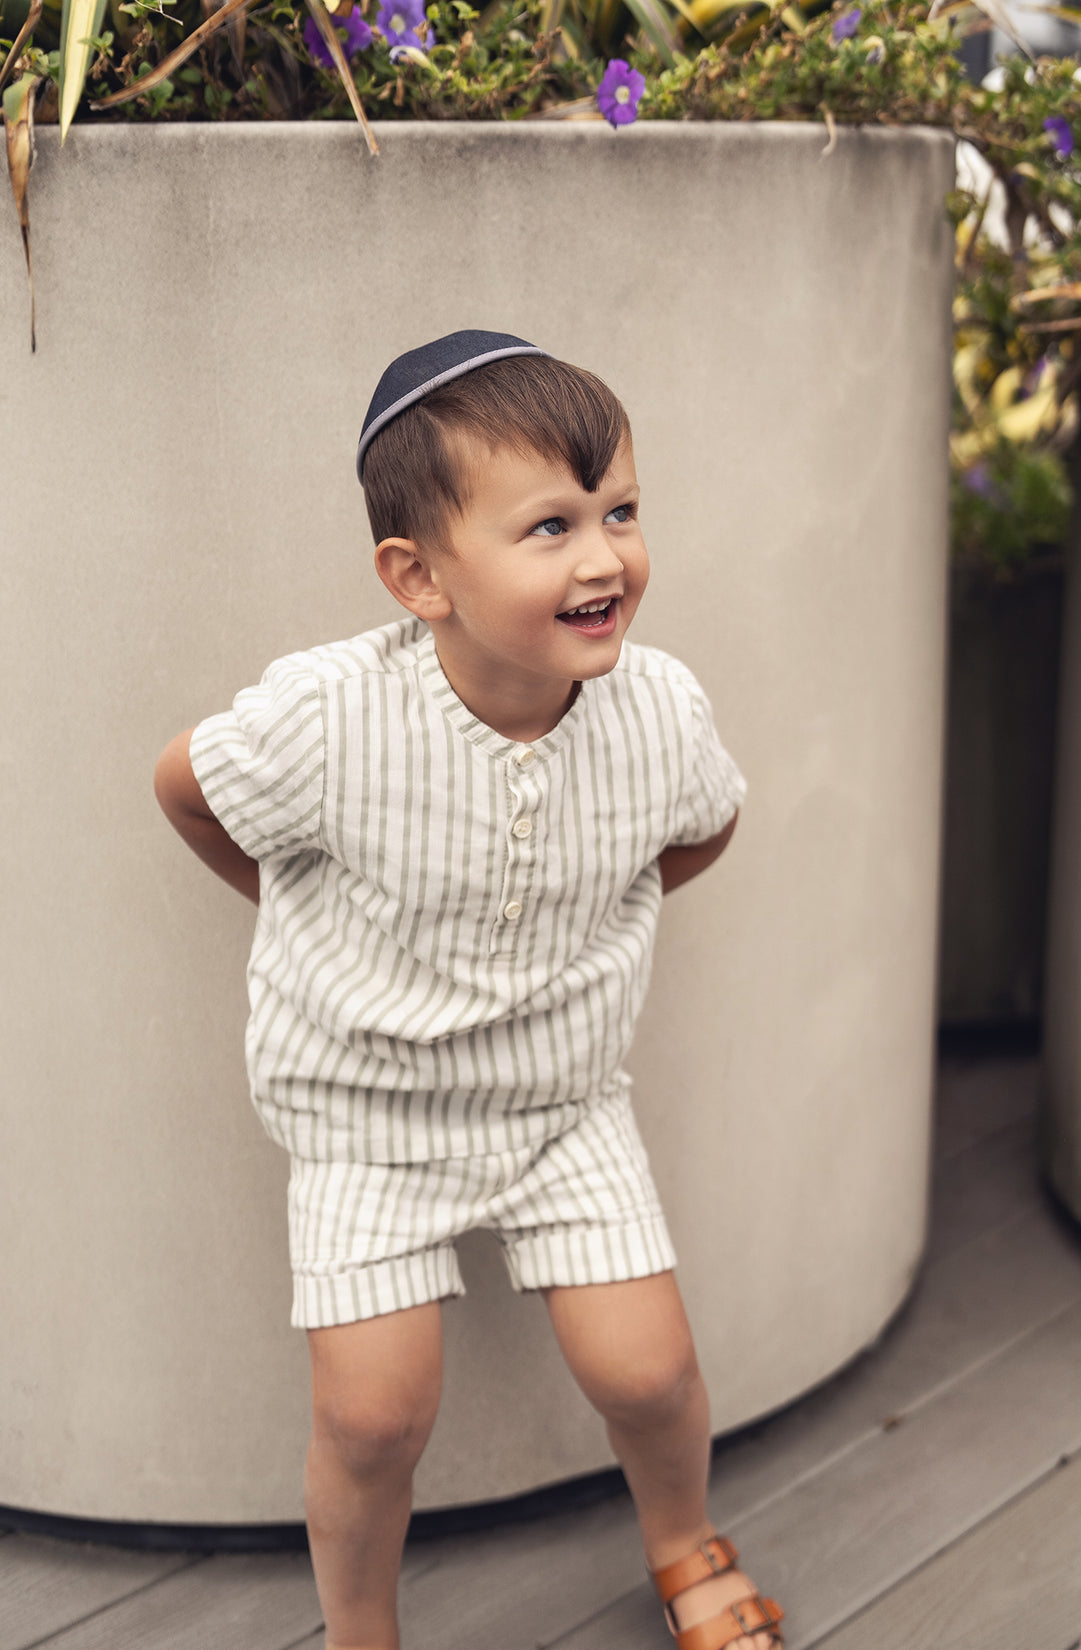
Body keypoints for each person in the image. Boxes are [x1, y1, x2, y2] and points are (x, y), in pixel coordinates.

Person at [154, 330, 783, 1650]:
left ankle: (684, 1539)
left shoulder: (656, 710)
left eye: (620, 509)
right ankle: (359, 1627)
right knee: (375, 1413)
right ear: (419, 576)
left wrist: (607, 907)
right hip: (366, 1115)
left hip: (564, 1105)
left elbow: (705, 821)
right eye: (550, 525)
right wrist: (292, 910)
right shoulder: (330, 715)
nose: (606, 555)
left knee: (649, 1368)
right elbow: (189, 786)